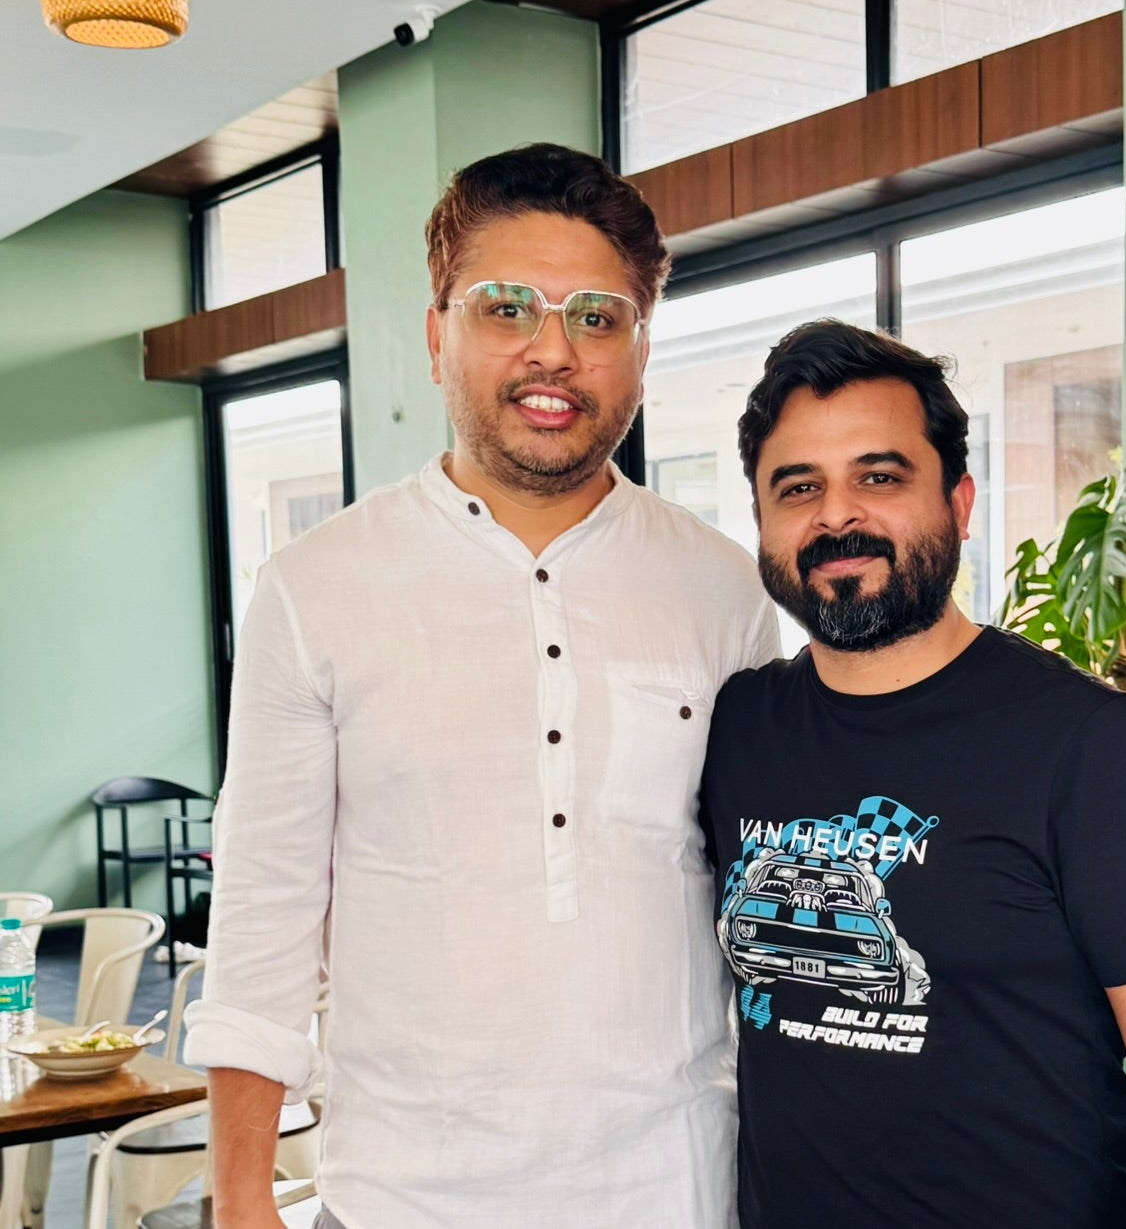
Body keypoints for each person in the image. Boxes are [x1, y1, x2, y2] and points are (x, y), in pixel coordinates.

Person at [184, 144, 779, 1229]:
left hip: (674, 1188)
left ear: (641, 352)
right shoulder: (314, 588)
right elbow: (264, 911)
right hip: (401, 1196)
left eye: (597, 317)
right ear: (435, 336)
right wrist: (240, 1199)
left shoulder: (722, 587)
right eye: (507, 308)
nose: (554, 350)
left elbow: (755, 890)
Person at [699, 320, 1126, 1229]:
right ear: (761, 523)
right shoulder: (738, 729)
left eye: (880, 477)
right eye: (799, 487)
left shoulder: (1093, 749)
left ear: (960, 503)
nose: (837, 516)